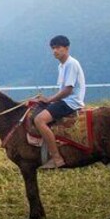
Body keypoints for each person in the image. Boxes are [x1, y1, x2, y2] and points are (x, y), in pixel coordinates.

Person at [34, 35, 86, 169]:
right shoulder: (61, 66)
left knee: (39, 120)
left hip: (70, 102)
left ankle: (56, 158)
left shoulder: (71, 63)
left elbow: (68, 90)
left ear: (66, 48)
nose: (54, 51)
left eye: (58, 47)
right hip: (65, 100)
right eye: (52, 48)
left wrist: (49, 99)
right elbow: (62, 89)